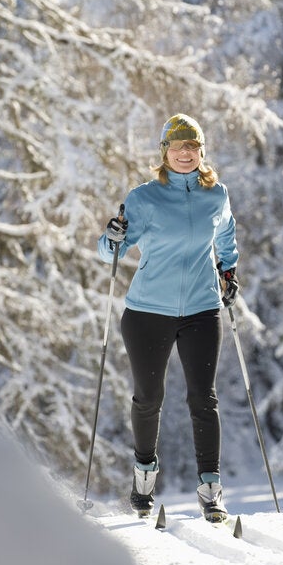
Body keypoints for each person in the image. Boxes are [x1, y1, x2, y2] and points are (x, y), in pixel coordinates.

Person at [97, 113, 239, 523]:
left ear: (201, 152)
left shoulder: (217, 196)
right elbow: (111, 253)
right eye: (176, 147)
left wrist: (228, 271)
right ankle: (144, 478)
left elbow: (227, 236)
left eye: (192, 147)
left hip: (201, 308)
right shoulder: (144, 197)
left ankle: (211, 491)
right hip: (147, 313)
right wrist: (113, 237)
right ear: (164, 153)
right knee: (148, 397)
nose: (184, 154)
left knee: (203, 398)